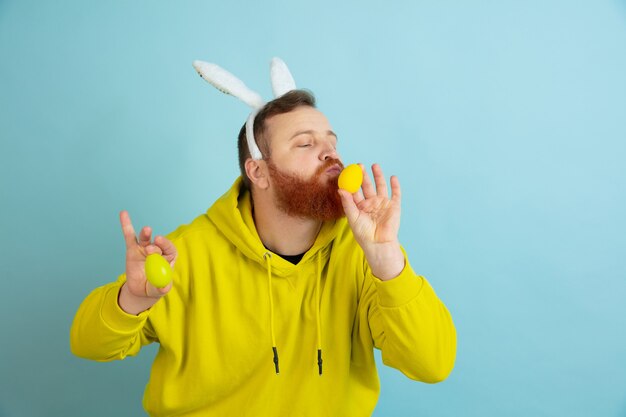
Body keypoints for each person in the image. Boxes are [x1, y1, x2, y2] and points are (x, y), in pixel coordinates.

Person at [71, 82, 456, 416]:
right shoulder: (188, 253)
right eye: (306, 143)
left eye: (332, 142)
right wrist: (132, 299)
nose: (331, 154)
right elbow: (87, 344)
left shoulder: (362, 254)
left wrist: (388, 260)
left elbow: (433, 364)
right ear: (258, 172)